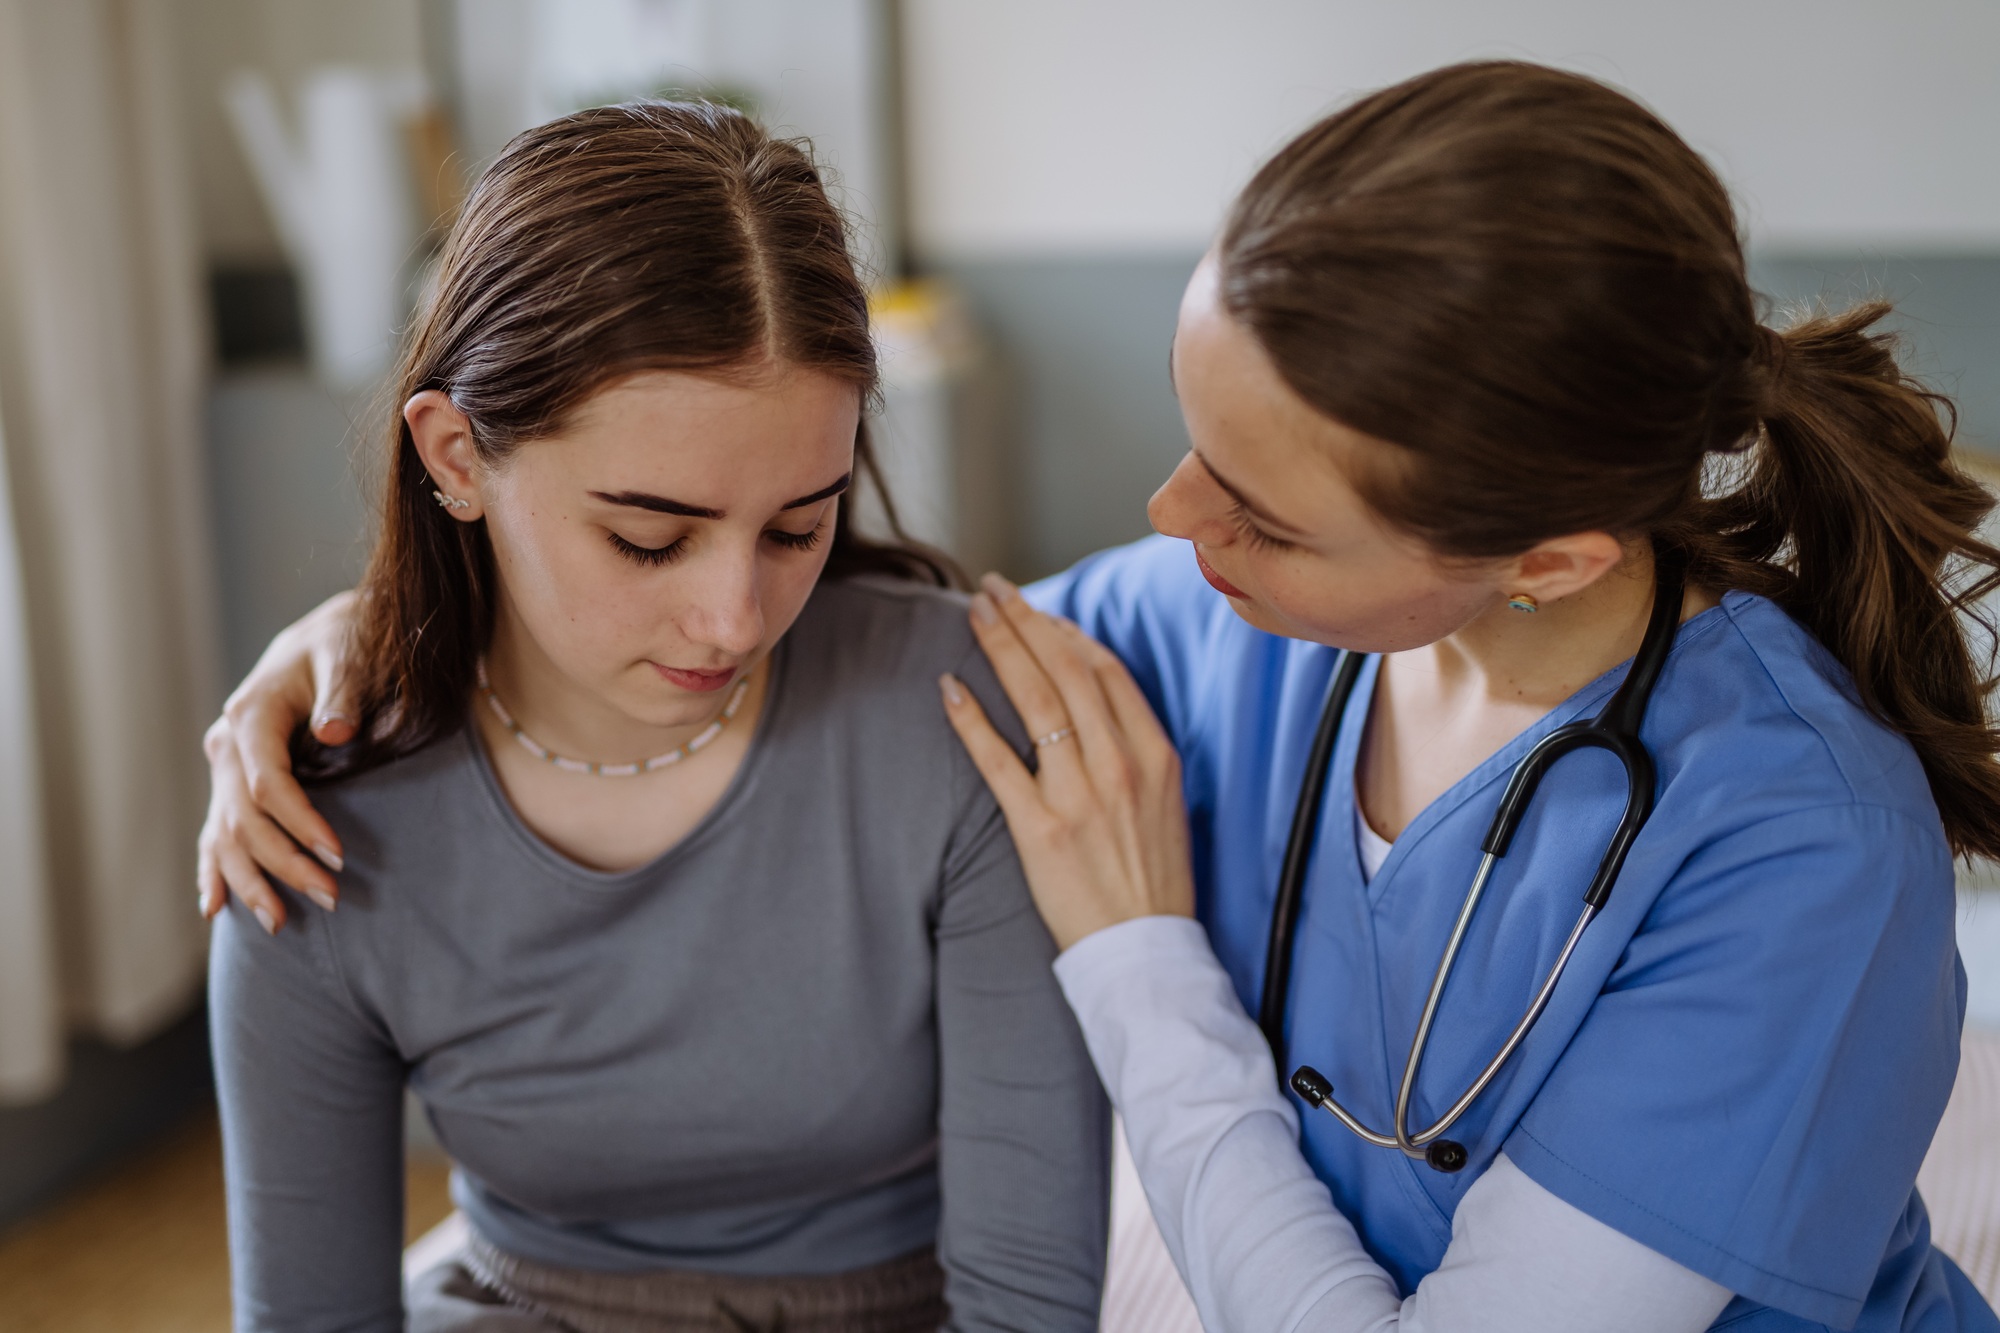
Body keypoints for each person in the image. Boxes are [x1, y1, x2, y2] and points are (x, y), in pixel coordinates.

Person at [202, 64, 2000, 1333]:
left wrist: (1138, 961)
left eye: (1260, 507)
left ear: (1544, 555)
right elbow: (802, 655)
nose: (1164, 519)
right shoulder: (1226, 625)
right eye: (1194, 439)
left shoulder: (1794, 853)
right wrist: (358, 636)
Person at [202, 101, 1107, 1333]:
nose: (735, 619)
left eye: (798, 525)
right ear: (456, 458)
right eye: (647, 538)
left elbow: (1024, 1305)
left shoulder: (956, 723)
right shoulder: (308, 806)